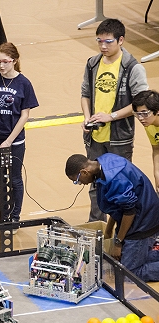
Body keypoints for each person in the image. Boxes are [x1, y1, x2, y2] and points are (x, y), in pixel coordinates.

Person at [80, 18, 148, 222]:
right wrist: (86, 118)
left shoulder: (132, 67)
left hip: (120, 138)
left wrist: (111, 116)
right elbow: (85, 93)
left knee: (120, 184)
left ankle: (121, 227)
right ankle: (97, 226)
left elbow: (141, 103)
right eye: (99, 40)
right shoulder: (93, 64)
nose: (103, 46)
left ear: (121, 41)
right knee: (94, 184)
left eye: (108, 41)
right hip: (95, 137)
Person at [65, 153, 159, 282]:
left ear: (84, 172)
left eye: (77, 180)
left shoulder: (114, 179)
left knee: (127, 274)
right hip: (137, 215)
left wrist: (118, 242)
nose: (81, 184)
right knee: (121, 259)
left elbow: (129, 211)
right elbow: (117, 206)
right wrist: (109, 230)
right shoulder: (104, 162)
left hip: (142, 222)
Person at [0, 43, 38, 230]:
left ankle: (15, 216)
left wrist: (8, 141)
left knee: (14, 179)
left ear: (14, 61)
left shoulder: (24, 83)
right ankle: (3, 216)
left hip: (14, 141)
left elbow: (24, 116)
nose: (1, 66)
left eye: (5, 62)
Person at [131, 90, 159, 193]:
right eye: (137, 114)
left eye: (144, 113)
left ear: (157, 110)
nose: (141, 118)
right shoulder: (149, 125)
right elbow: (156, 148)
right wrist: (157, 174)